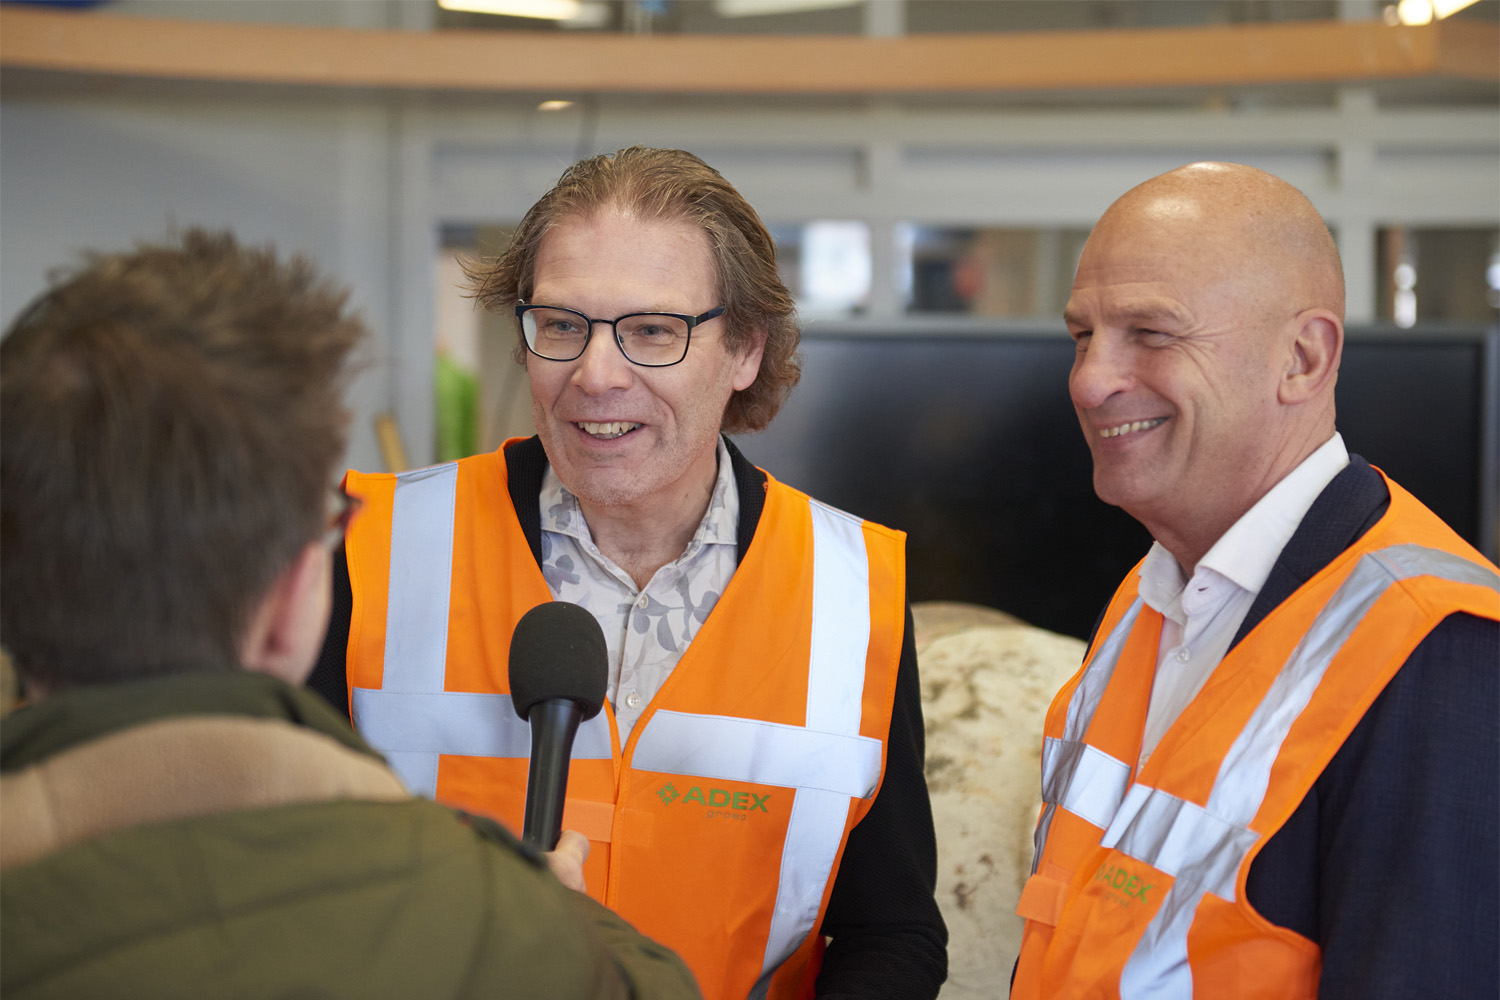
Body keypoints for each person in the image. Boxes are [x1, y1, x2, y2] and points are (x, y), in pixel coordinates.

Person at [308, 146, 948, 999]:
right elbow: (272, 878)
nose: (595, 375)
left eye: (653, 331)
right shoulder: (369, 549)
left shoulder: (853, 590)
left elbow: (892, 932)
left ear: (746, 351)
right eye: (562, 326)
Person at [0, 230, 700, 1000]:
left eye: (651, 331)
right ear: (296, 590)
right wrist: (550, 919)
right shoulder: (494, 929)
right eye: (565, 325)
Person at [1011, 162, 1499, 999]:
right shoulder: (1150, 596)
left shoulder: (1441, 649)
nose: (1090, 380)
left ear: (1303, 359)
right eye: (1082, 336)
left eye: (1151, 333)